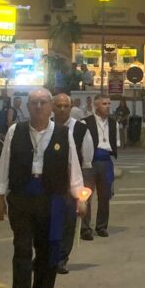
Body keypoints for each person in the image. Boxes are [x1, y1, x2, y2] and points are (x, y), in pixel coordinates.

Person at [0, 88, 86, 288]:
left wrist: (79, 197)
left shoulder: (64, 134)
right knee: (22, 250)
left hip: (52, 200)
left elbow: (73, 166)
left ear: (51, 107)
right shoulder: (16, 131)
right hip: (22, 199)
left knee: (47, 252)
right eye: (34, 102)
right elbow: (4, 164)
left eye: (43, 102)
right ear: (27, 106)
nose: (38, 107)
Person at [51, 94, 93, 275]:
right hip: (49, 185)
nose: (61, 109)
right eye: (58, 106)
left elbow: (87, 162)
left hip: (70, 186)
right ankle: (48, 256)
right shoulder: (46, 127)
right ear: (52, 107)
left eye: (65, 106)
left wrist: (83, 195)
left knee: (68, 224)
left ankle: (61, 259)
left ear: (70, 108)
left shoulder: (81, 130)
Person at [81, 94, 119, 240]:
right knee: (86, 196)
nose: (108, 106)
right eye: (104, 104)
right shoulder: (85, 123)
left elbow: (115, 142)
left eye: (109, 103)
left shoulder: (113, 123)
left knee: (105, 196)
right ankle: (85, 229)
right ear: (96, 105)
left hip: (105, 161)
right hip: (89, 162)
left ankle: (101, 226)